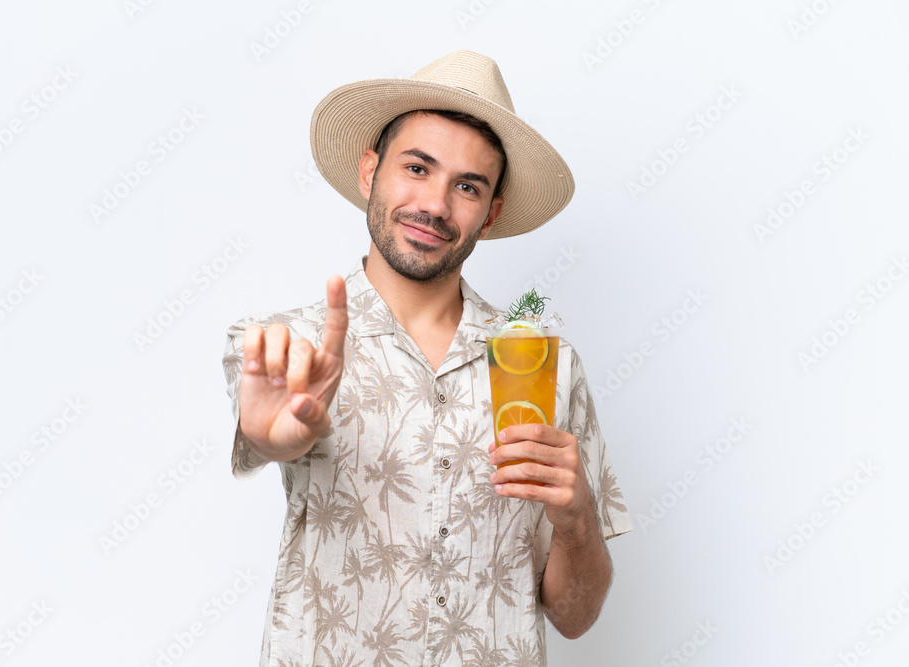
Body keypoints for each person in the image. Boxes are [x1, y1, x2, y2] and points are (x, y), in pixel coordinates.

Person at [222, 50, 632, 666]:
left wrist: (576, 519)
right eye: (417, 167)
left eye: (467, 186)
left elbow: (576, 619)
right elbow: (271, 434)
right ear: (370, 173)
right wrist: (273, 434)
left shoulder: (548, 365)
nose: (436, 206)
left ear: (490, 213)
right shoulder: (286, 347)